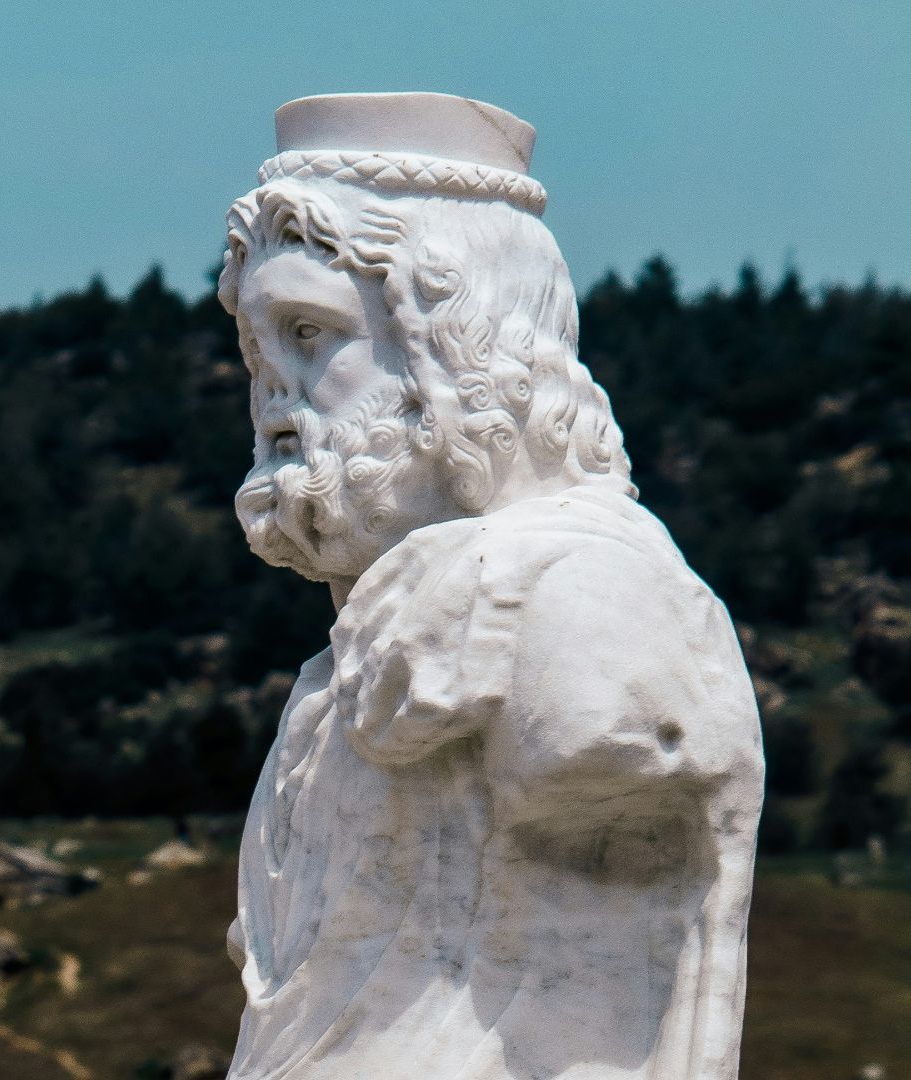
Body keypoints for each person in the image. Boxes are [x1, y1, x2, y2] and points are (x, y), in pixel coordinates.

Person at [220, 92, 763, 1080]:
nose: (276, 398)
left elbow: (594, 738)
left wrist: (492, 590)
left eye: (312, 334)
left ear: (463, 349)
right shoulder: (357, 657)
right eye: (260, 352)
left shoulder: (579, 595)